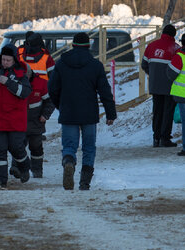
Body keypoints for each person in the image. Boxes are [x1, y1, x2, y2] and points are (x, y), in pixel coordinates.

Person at [49, 32, 116, 191]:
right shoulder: (96, 65)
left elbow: (52, 88)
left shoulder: (61, 63)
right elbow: (105, 92)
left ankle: (69, 162)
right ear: (88, 46)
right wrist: (110, 113)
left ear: (73, 45)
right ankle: (84, 182)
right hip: (89, 114)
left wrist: (60, 105)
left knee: (69, 146)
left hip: (69, 112)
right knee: (89, 147)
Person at [0, 45, 32, 189]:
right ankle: (0, 180)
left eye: (8, 60)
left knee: (16, 148)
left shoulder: (21, 74)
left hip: (15, 119)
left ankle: (25, 166)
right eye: (3, 59)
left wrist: (8, 82)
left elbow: (25, 93)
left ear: (14, 60)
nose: (5, 63)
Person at [142, 24, 181, 148]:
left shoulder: (151, 46)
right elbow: (179, 67)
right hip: (169, 86)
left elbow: (144, 65)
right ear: (174, 35)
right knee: (167, 111)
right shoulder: (176, 48)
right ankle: (165, 138)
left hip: (155, 85)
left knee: (157, 111)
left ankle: (156, 138)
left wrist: (153, 74)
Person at [14, 65, 55, 180]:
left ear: (29, 73)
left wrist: (45, 115)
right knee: (17, 146)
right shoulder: (15, 82)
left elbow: (50, 101)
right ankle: (17, 169)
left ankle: (37, 171)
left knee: (36, 147)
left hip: (36, 122)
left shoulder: (41, 83)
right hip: (19, 122)